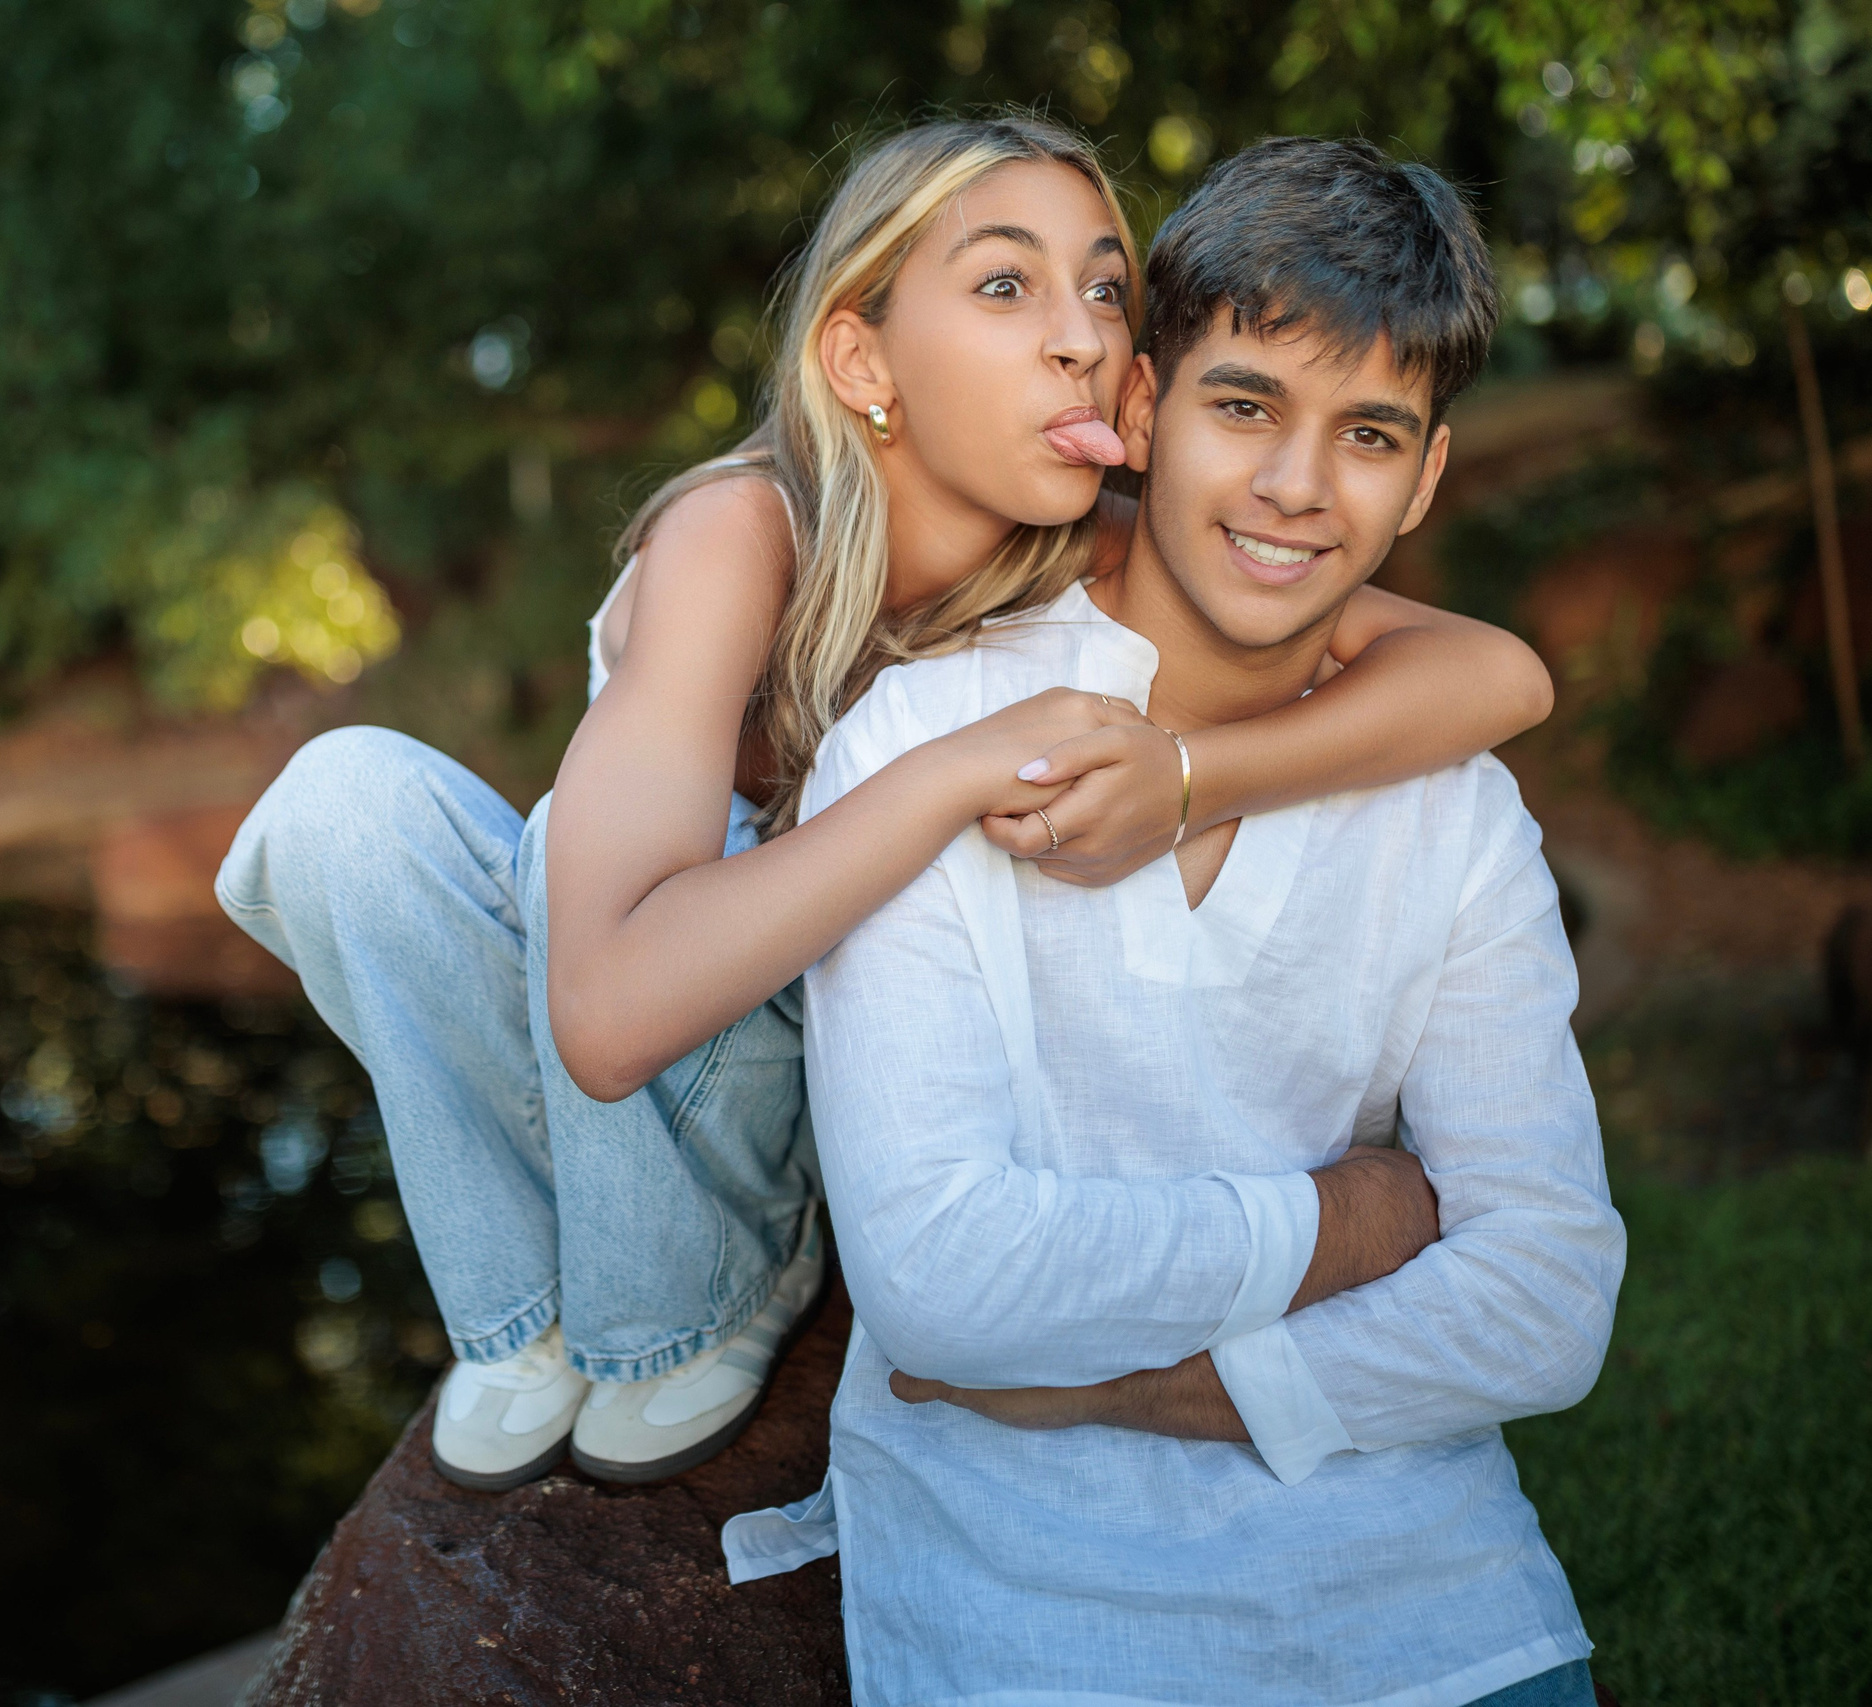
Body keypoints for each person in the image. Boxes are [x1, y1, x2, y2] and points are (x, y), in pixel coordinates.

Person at [216, 112, 1556, 1494]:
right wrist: (942, 777)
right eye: (1004, 286)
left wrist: (1188, 782)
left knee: (594, 866)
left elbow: (1495, 674)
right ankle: (526, 1319)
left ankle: (703, 1307)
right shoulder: (744, 536)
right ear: (863, 361)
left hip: (802, 1083)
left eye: (1105, 288)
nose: (1081, 338)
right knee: (347, 806)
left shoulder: (1105, 544)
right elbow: (608, 1011)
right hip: (647, 1031)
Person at [723, 137, 1628, 1707]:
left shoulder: (1455, 808)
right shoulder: (928, 747)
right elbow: (941, 1279)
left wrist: (1114, 1385)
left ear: (1424, 480)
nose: (1295, 487)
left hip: (1433, 1607)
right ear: (1140, 410)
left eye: (1367, 435)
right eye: (1245, 408)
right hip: (1037, 1619)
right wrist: (1348, 1225)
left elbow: (1549, 1298)